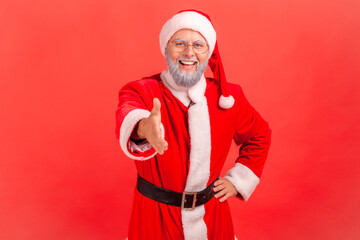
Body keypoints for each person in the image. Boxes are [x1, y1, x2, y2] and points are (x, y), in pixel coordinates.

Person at [115, 9, 271, 240]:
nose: (189, 53)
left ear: (208, 52)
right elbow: (129, 113)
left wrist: (237, 180)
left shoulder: (228, 97)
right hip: (154, 217)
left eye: (199, 45)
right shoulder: (142, 90)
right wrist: (145, 127)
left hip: (213, 217)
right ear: (166, 48)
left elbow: (259, 134)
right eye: (179, 43)